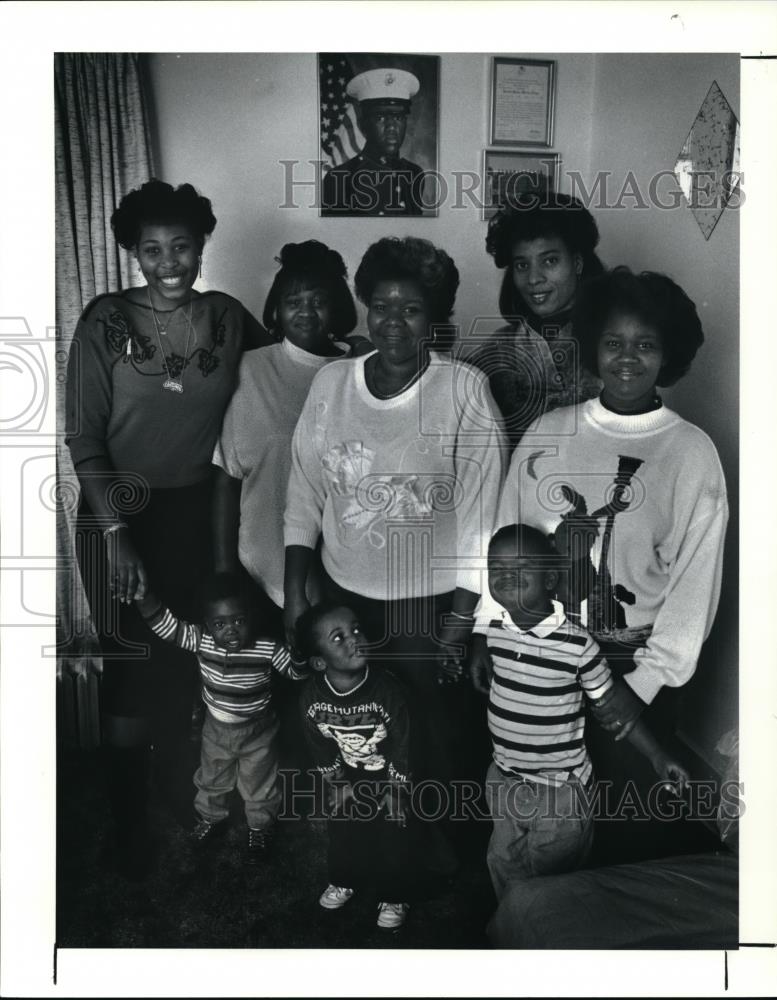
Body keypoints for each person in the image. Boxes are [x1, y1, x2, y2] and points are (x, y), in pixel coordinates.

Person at [475, 268, 728, 858]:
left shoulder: (690, 453)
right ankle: (534, 912)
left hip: (634, 666)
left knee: (623, 821)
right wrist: (491, 634)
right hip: (541, 654)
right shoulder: (549, 430)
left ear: (670, 354)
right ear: (593, 348)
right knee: (541, 808)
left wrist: (635, 690)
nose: (627, 358)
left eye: (646, 344)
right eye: (614, 342)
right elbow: (505, 538)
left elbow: (694, 593)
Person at [65, 179, 273, 877]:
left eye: (181, 245)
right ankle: (126, 823)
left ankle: (188, 796)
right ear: (133, 252)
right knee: (131, 668)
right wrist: (119, 535)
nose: (168, 262)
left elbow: (286, 371)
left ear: (201, 244)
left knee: (190, 661)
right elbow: (84, 438)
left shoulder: (227, 316)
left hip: (195, 515)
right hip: (116, 515)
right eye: (151, 249)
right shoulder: (104, 321)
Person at [284, 236, 506, 869]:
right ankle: (372, 850)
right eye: (381, 305)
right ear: (364, 307)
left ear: (433, 317)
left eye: (411, 308)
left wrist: (461, 624)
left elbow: (481, 517)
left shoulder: (464, 389)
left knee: (434, 733)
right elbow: (304, 487)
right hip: (343, 597)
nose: (393, 321)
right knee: (357, 735)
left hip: (428, 604)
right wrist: (298, 594)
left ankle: (447, 859)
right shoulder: (332, 383)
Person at [478, 524, 689, 899]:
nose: (506, 575)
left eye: (521, 565)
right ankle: (513, 932)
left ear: (550, 580)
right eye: (496, 567)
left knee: (555, 881)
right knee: (504, 863)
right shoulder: (495, 633)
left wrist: (656, 756)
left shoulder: (577, 647)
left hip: (560, 793)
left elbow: (613, 709)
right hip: (506, 779)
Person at [213, 241, 365, 634]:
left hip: (346, 568)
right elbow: (227, 479)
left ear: (337, 309)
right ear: (276, 310)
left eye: (318, 301)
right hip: (260, 564)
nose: (306, 311)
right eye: (293, 301)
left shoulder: (361, 369)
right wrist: (225, 568)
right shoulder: (250, 369)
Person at [134, 573, 306, 863]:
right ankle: (211, 818)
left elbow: (296, 672)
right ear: (208, 624)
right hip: (216, 729)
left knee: (260, 782)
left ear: (252, 616)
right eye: (220, 624)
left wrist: (300, 651)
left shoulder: (268, 648)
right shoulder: (202, 641)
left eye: (239, 621)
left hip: (258, 732)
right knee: (212, 777)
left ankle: (260, 827)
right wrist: (143, 596)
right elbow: (167, 627)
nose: (231, 631)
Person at [296, 602, 412, 929]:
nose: (354, 639)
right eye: (338, 637)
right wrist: (338, 784)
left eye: (356, 629)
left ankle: (394, 894)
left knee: (394, 833)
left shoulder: (387, 691)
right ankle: (344, 879)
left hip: (390, 775)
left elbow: (406, 743)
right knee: (343, 828)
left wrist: (397, 791)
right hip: (351, 774)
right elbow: (317, 744)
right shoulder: (311, 699)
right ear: (319, 662)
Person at [465, 192, 604, 448]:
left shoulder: (611, 341)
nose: (533, 279)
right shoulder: (496, 350)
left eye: (550, 261)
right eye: (522, 265)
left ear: (577, 262)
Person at [321, 68, 426, 216]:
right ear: (364, 125)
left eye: (398, 117)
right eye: (380, 118)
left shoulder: (414, 174)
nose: (391, 127)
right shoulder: (339, 178)